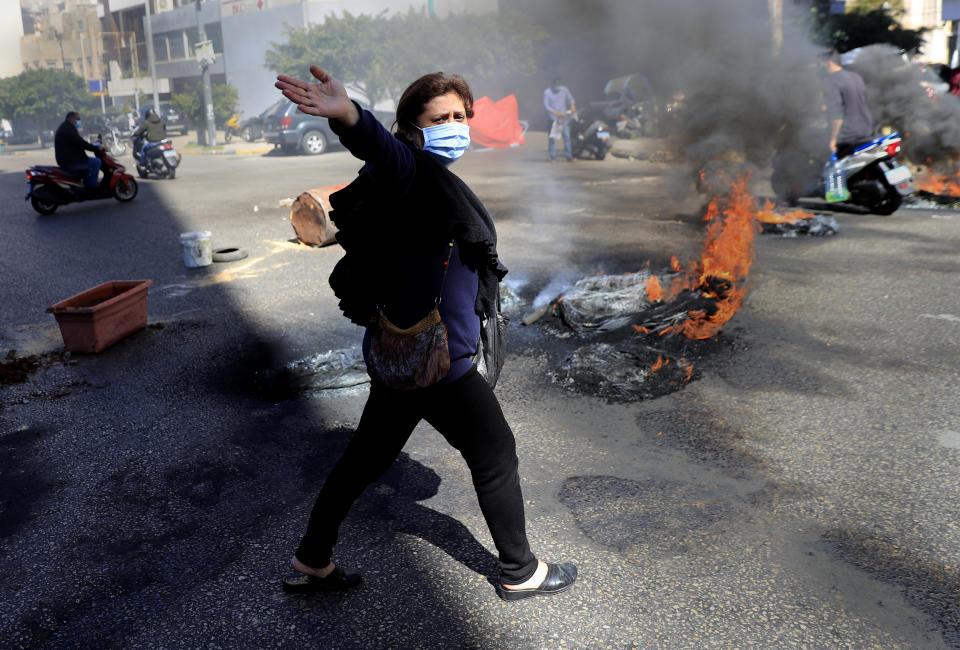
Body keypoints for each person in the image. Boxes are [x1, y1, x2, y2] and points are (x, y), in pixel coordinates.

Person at [274, 66, 578, 601]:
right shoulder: (408, 170)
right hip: (439, 361)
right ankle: (520, 571)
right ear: (412, 128)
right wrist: (347, 115)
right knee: (494, 453)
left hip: (397, 350)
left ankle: (312, 561)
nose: (456, 125)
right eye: (441, 117)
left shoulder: (423, 181)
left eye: (462, 115)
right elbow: (380, 148)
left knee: (364, 459)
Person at [819, 50, 873, 159]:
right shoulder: (855, 76)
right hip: (867, 130)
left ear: (829, 63)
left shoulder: (832, 81)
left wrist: (833, 139)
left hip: (848, 135)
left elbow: (837, 114)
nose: (820, 68)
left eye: (820, 64)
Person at [54, 111, 102, 189]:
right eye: (77, 119)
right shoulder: (69, 128)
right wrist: (96, 148)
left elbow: (78, 142)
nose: (78, 121)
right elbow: (80, 142)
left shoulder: (65, 126)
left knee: (88, 162)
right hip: (71, 160)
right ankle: (92, 185)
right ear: (71, 118)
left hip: (68, 158)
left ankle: (86, 183)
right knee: (97, 162)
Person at [543, 77, 576, 162]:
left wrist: (572, 106)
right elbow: (547, 106)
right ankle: (552, 156)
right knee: (552, 138)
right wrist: (555, 113)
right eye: (555, 85)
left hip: (563, 118)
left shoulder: (564, 90)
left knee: (567, 137)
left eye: (558, 84)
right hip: (553, 118)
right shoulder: (547, 92)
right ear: (552, 84)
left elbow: (571, 99)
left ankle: (569, 155)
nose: (557, 87)